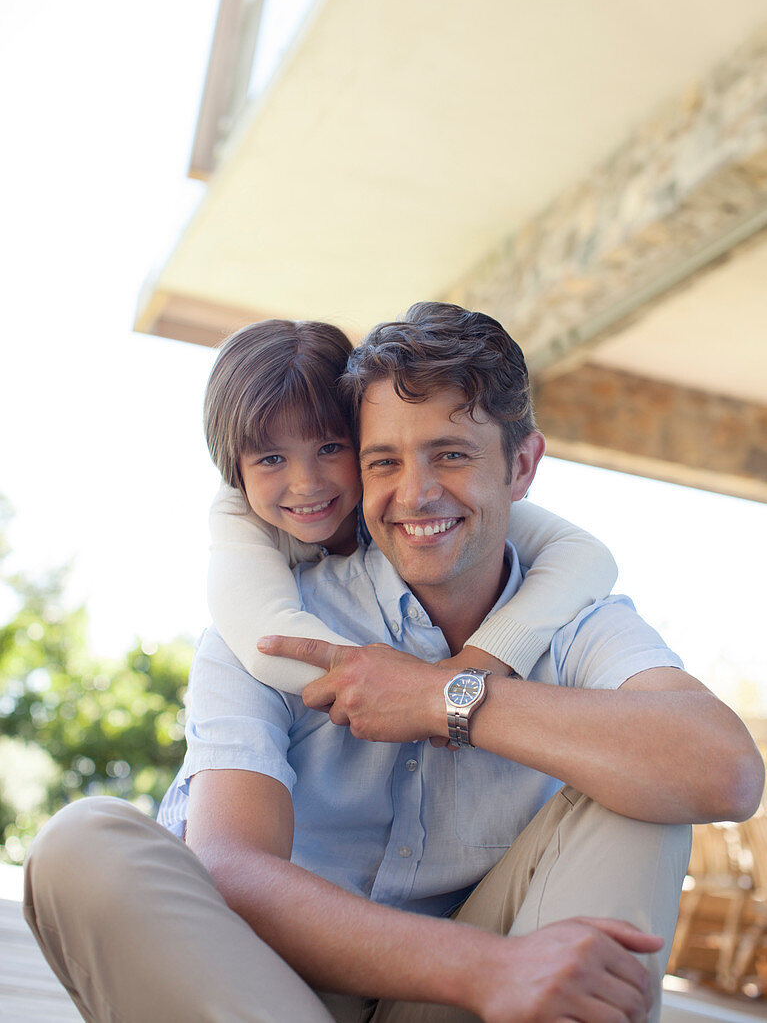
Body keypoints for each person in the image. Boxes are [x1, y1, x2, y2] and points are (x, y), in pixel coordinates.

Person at [24, 303, 764, 1023]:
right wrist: (486, 969)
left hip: (464, 1004)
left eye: (451, 453)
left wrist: (451, 698)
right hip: (281, 993)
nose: (415, 494)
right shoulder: (273, 624)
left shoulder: (576, 618)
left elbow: (722, 770)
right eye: (384, 461)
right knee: (81, 846)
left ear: (522, 466)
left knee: (650, 779)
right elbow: (230, 867)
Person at [203, 317, 619, 696]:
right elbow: (266, 641)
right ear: (234, 467)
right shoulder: (239, 518)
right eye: (272, 459)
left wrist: (480, 662)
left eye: (330, 448)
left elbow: (586, 556)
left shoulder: (405, 495)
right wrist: (420, 693)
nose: (307, 483)